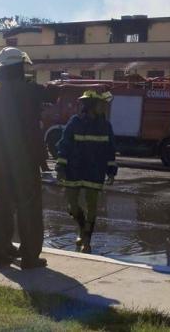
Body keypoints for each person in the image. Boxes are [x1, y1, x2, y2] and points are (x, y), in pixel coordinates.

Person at [0, 47, 49, 269]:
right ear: (19, 67)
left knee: (1, 205)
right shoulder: (31, 91)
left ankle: (0, 253)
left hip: (0, 159)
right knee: (29, 208)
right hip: (26, 160)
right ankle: (29, 257)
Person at [56, 90, 117, 254]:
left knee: (92, 206)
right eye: (100, 104)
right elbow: (64, 145)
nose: (103, 107)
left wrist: (111, 171)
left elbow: (110, 150)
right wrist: (60, 167)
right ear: (91, 106)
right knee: (73, 206)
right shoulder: (74, 122)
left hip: (94, 170)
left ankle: (87, 240)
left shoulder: (105, 125)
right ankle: (82, 229)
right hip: (73, 170)